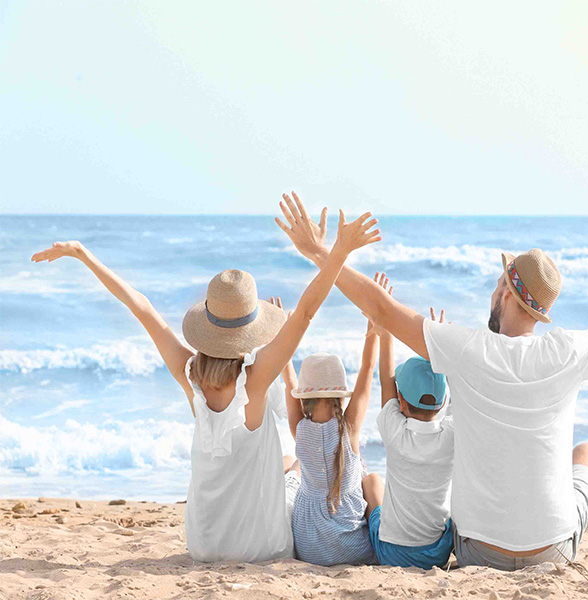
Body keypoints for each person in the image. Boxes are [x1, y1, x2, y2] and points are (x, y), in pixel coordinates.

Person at [275, 191, 588, 570]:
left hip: (475, 553)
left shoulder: (465, 348)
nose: (493, 291)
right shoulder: (570, 351)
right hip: (552, 552)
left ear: (508, 295)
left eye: (498, 284)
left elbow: (382, 308)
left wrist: (322, 252)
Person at [31, 207, 380, 562]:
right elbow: (305, 312)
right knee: (296, 468)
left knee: (292, 462)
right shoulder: (254, 379)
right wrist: (338, 252)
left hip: (203, 544)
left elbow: (142, 308)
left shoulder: (190, 376)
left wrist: (82, 254)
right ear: (250, 332)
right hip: (261, 547)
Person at [366, 279, 456, 570]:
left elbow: (385, 379)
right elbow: (461, 387)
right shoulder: (453, 434)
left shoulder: (395, 432)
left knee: (371, 483)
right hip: (438, 554)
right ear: (443, 403)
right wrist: (442, 348)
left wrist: (385, 330)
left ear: (400, 402)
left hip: (391, 553)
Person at [287, 341, 380, 566]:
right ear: (341, 397)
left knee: (294, 465)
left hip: (309, 549)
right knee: (371, 479)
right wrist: (374, 330)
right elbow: (367, 368)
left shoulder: (299, 428)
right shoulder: (349, 428)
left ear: (302, 398)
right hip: (354, 549)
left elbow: (288, 381)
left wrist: (285, 345)